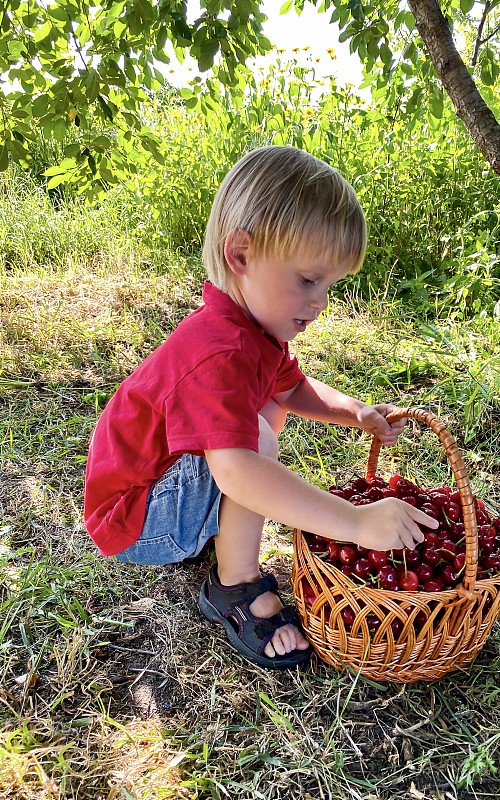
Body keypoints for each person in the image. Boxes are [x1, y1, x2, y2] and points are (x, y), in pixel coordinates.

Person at [84, 145, 438, 670]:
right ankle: (235, 587)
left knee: (262, 420)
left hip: (158, 490)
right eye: (308, 280)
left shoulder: (252, 332)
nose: (320, 302)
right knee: (255, 443)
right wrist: (355, 524)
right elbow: (240, 472)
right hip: (134, 520)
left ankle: (217, 534)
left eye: (330, 285)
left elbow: (292, 388)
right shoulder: (220, 349)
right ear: (241, 255)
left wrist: (356, 412)